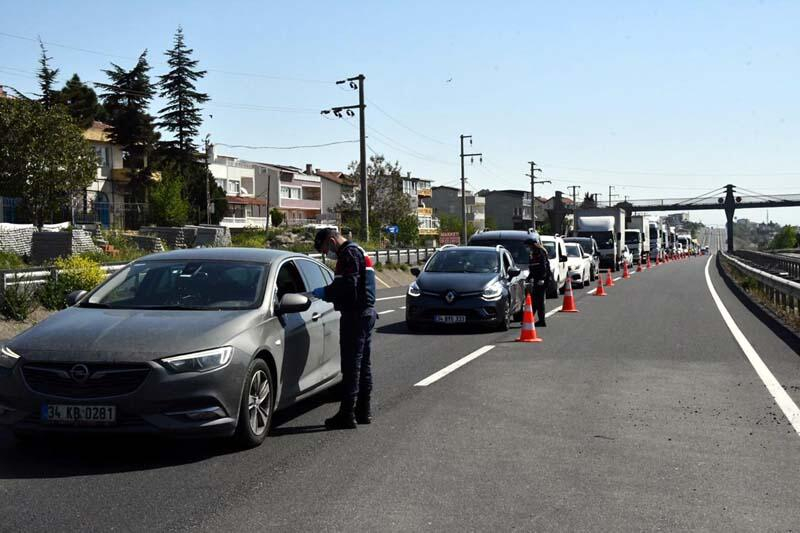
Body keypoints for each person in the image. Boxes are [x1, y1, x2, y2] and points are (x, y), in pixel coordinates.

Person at [312, 228, 377, 430]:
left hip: (355, 316)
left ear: (331, 241)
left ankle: (347, 414)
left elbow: (348, 286)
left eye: (325, 249)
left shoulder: (348, 254)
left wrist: (325, 292)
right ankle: (363, 411)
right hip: (366, 314)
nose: (326, 255)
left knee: (351, 366)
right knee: (363, 364)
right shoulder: (358, 250)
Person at [525, 237, 551, 327]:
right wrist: (528, 277)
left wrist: (542, 279)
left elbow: (543, 266)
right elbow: (533, 267)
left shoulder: (540, 252)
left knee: (539, 301)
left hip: (542, 280)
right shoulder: (533, 253)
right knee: (534, 300)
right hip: (537, 279)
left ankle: (541, 321)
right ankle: (529, 319)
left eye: (528, 246)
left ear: (532, 245)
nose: (527, 248)